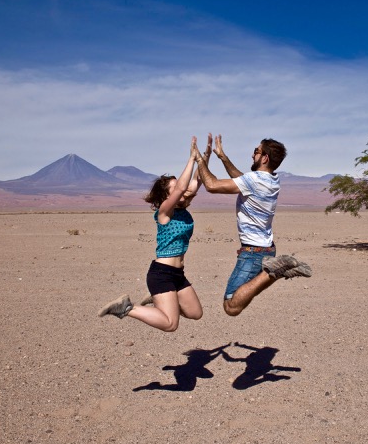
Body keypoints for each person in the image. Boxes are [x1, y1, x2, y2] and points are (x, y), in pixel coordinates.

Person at [193, 133, 312, 316]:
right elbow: (241, 179)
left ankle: (273, 271)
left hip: (253, 253)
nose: (252, 154)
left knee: (231, 306)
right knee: (246, 292)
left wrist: (200, 159)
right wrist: (223, 157)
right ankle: (278, 269)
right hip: (267, 249)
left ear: (264, 158)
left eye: (256, 151)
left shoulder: (254, 181)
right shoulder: (271, 180)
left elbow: (211, 185)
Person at [98, 136, 209, 332]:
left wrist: (204, 157)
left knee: (195, 313)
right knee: (170, 324)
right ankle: (125, 307)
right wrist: (191, 159)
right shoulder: (165, 212)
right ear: (166, 196)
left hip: (178, 273)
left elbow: (196, 181)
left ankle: (163, 301)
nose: (180, 190)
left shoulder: (183, 209)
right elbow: (183, 186)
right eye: (174, 189)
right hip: (161, 274)